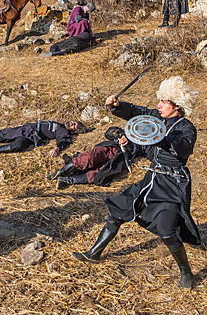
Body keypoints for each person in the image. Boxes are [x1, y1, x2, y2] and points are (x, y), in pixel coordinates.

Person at [71, 76, 199, 290]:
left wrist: (156, 136)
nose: (158, 105)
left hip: (172, 185)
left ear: (177, 105)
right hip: (152, 179)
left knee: (167, 231)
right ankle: (94, 253)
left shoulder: (187, 128)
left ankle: (186, 272)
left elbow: (181, 148)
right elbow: (136, 112)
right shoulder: (157, 117)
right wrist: (118, 106)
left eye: (164, 102)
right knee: (119, 211)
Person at [47, 126, 142, 189]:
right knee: (89, 157)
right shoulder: (128, 130)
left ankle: (67, 181)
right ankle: (60, 172)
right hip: (110, 148)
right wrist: (121, 135)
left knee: (99, 174)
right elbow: (108, 133)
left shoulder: (144, 144)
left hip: (119, 159)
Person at [0, 120, 83, 158]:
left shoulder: (63, 131)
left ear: (75, 131)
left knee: (18, 145)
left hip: (32, 136)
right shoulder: (59, 124)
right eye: (73, 122)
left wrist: (57, 148)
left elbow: (63, 140)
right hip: (25, 128)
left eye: (74, 125)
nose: (71, 123)